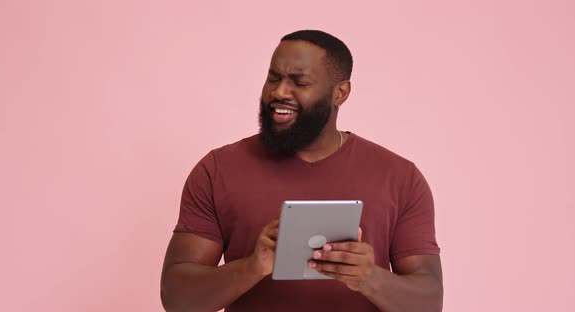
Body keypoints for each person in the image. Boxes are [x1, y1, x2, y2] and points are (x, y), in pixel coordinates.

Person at [160, 30, 443, 312]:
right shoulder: (217, 170)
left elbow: (430, 302)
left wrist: (370, 278)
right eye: (273, 78)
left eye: (300, 82)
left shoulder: (399, 177)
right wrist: (253, 266)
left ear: (340, 93)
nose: (279, 92)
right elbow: (177, 299)